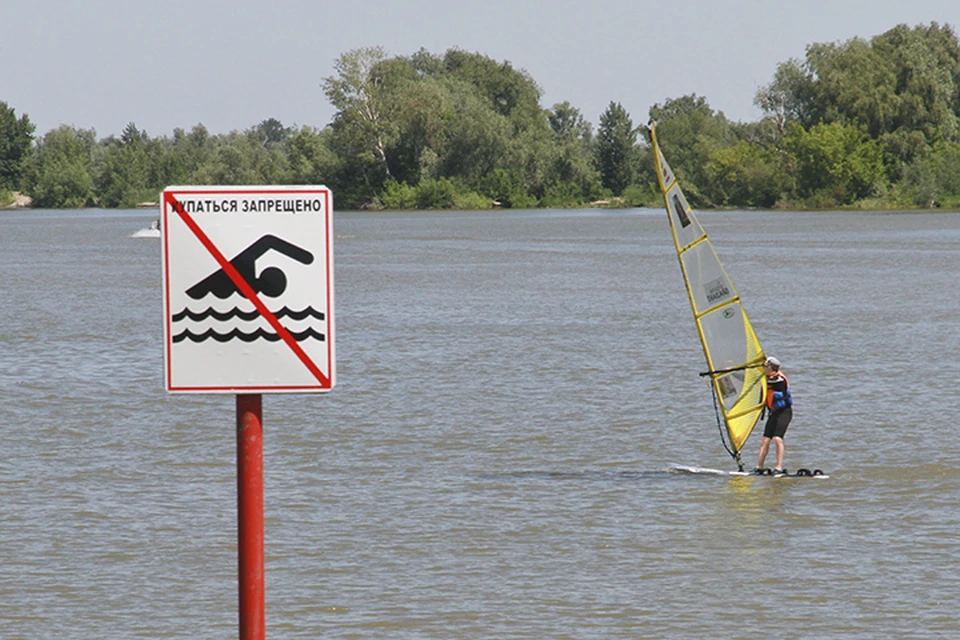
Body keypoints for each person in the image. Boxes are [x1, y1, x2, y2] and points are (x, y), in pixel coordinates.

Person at [755, 356, 793, 475]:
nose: (764, 369)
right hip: (773, 413)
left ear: (771, 368)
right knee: (765, 440)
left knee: (777, 439)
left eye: (766, 367)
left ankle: (778, 467)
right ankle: (759, 467)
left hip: (784, 413)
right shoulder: (766, 377)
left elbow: (766, 382)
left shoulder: (779, 380)